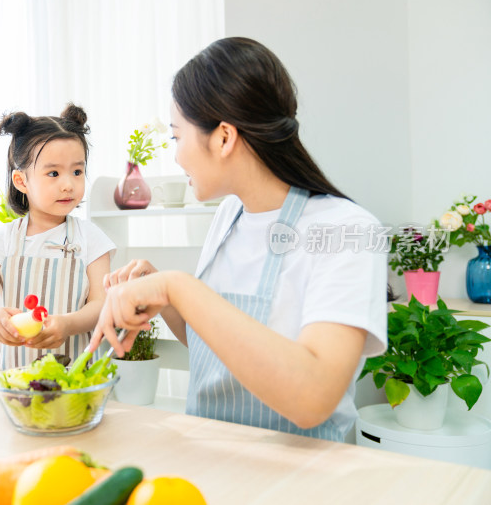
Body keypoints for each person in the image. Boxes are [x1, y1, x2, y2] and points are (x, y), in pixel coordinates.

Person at [88, 38, 387, 442]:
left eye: (177, 137)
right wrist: (167, 301)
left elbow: (313, 397)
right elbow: (217, 352)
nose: (176, 156)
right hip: (211, 460)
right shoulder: (230, 215)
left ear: (223, 138)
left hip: (300, 479)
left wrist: (177, 286)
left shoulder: (347, 231)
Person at [0, 104, 115, 369]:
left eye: (77, 172)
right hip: (15, 382)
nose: (68, 183)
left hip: (75, 383)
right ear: (21, 181)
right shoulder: (5, 239)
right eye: (54, 173)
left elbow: (101, 304)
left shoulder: (91, 238)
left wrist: (67, 324)